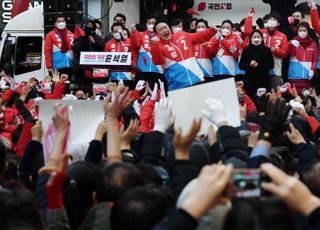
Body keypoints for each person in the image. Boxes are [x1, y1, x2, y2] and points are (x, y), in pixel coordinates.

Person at [150, 20, 217, 91]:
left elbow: (199, 36)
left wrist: (211, 31)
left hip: (196, 79)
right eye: (161, 29)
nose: (164, 30)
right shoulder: (157, 46)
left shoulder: (182, 35)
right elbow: (158, 61)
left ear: (170, 28)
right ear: (156, 34)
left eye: (165, 27)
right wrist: (154, 46)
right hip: (176, 85)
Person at [239, 30, 274, 97]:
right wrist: (249, 64)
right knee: (250, 100)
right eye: (254, 37)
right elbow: (241, 65)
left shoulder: (266, 50)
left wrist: (258, 65)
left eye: (258, 37)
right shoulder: (246, 50)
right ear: (251, 38)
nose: (256, 39)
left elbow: (271, 65)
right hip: (249, 81)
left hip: (263, 80)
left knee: (262, 102)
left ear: (262, 38)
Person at [288, 22, 318, 94]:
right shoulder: (293, 42)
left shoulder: (313, 44)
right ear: (297, 31)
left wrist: (313, 70)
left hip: (307, 76)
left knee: (306, 99)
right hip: (294, 76)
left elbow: (315, 59)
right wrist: (290, 43)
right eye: (300, 30)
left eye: (304, 30)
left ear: (308, 32)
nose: (302, 32)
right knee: (295, 99)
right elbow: (286, 53)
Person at [72, 19, 105, 87]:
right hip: (81, 70)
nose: (88, 28)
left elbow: (102, 49)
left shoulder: (97, 37)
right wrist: (83, 38)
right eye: (87, 26)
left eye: (90, 26)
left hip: (95, 69)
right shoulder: (79, 38)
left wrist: (94, 43)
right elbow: (76, 49)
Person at [260, 13, 288, 89]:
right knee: (260, 92)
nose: (271, 21)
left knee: (276, 92)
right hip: (260, 69)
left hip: (275, 69)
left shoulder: (282, 36)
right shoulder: (260, 32)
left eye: (274, 20)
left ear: (278, 23)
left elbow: (285, 54)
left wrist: (274, 50)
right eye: (270, 19)